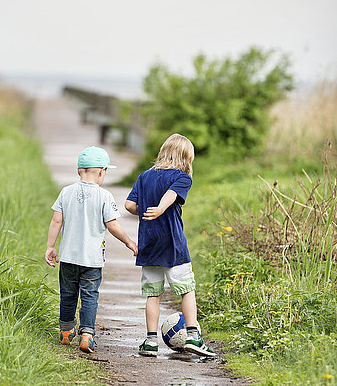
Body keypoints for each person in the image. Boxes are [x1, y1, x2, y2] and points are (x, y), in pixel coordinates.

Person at [125, 133, 215, 357]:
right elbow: (171, 194)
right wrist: (160, 209)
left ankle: (150, 342)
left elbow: (129, 205)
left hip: (149, 245)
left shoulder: (144, 177)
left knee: (153, 295)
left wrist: (147, 208)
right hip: (172, 244)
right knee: (186, 289)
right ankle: (193, 336)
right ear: (186, 157)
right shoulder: (183, 177)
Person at [45, 146, 138, 353]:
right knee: (89, 296)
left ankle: (67, 333)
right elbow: (113, 225)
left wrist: (51, 246)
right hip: (92, 261)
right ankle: (86, 335)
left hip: (68, 258)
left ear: (79, 171)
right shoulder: (104, 196)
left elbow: (56, 220)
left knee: (68, 294)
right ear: (101, 172)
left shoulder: (66, 192)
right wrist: (129, 242)